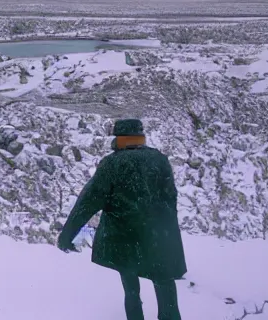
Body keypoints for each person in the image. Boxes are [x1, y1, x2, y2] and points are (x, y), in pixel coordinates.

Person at [57, 119, 187, 320]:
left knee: (131, 288)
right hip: (158, 236)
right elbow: (171, 198)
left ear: (118, 139)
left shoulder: (112, 164)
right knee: (164, 283)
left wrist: (67, 236)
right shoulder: (159, 159)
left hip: (124, 238)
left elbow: (88, 202)